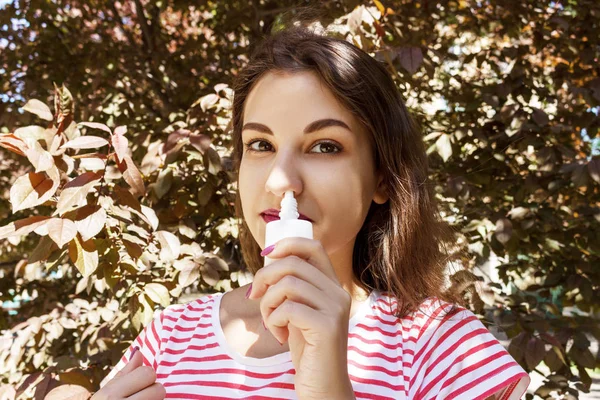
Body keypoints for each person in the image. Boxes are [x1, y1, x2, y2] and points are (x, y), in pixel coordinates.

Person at [94, 23, 530, 400]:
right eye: (260, 145)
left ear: (381, 178)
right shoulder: (170, 336)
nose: (280, 181)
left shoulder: (443, 347)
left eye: (325, 146)